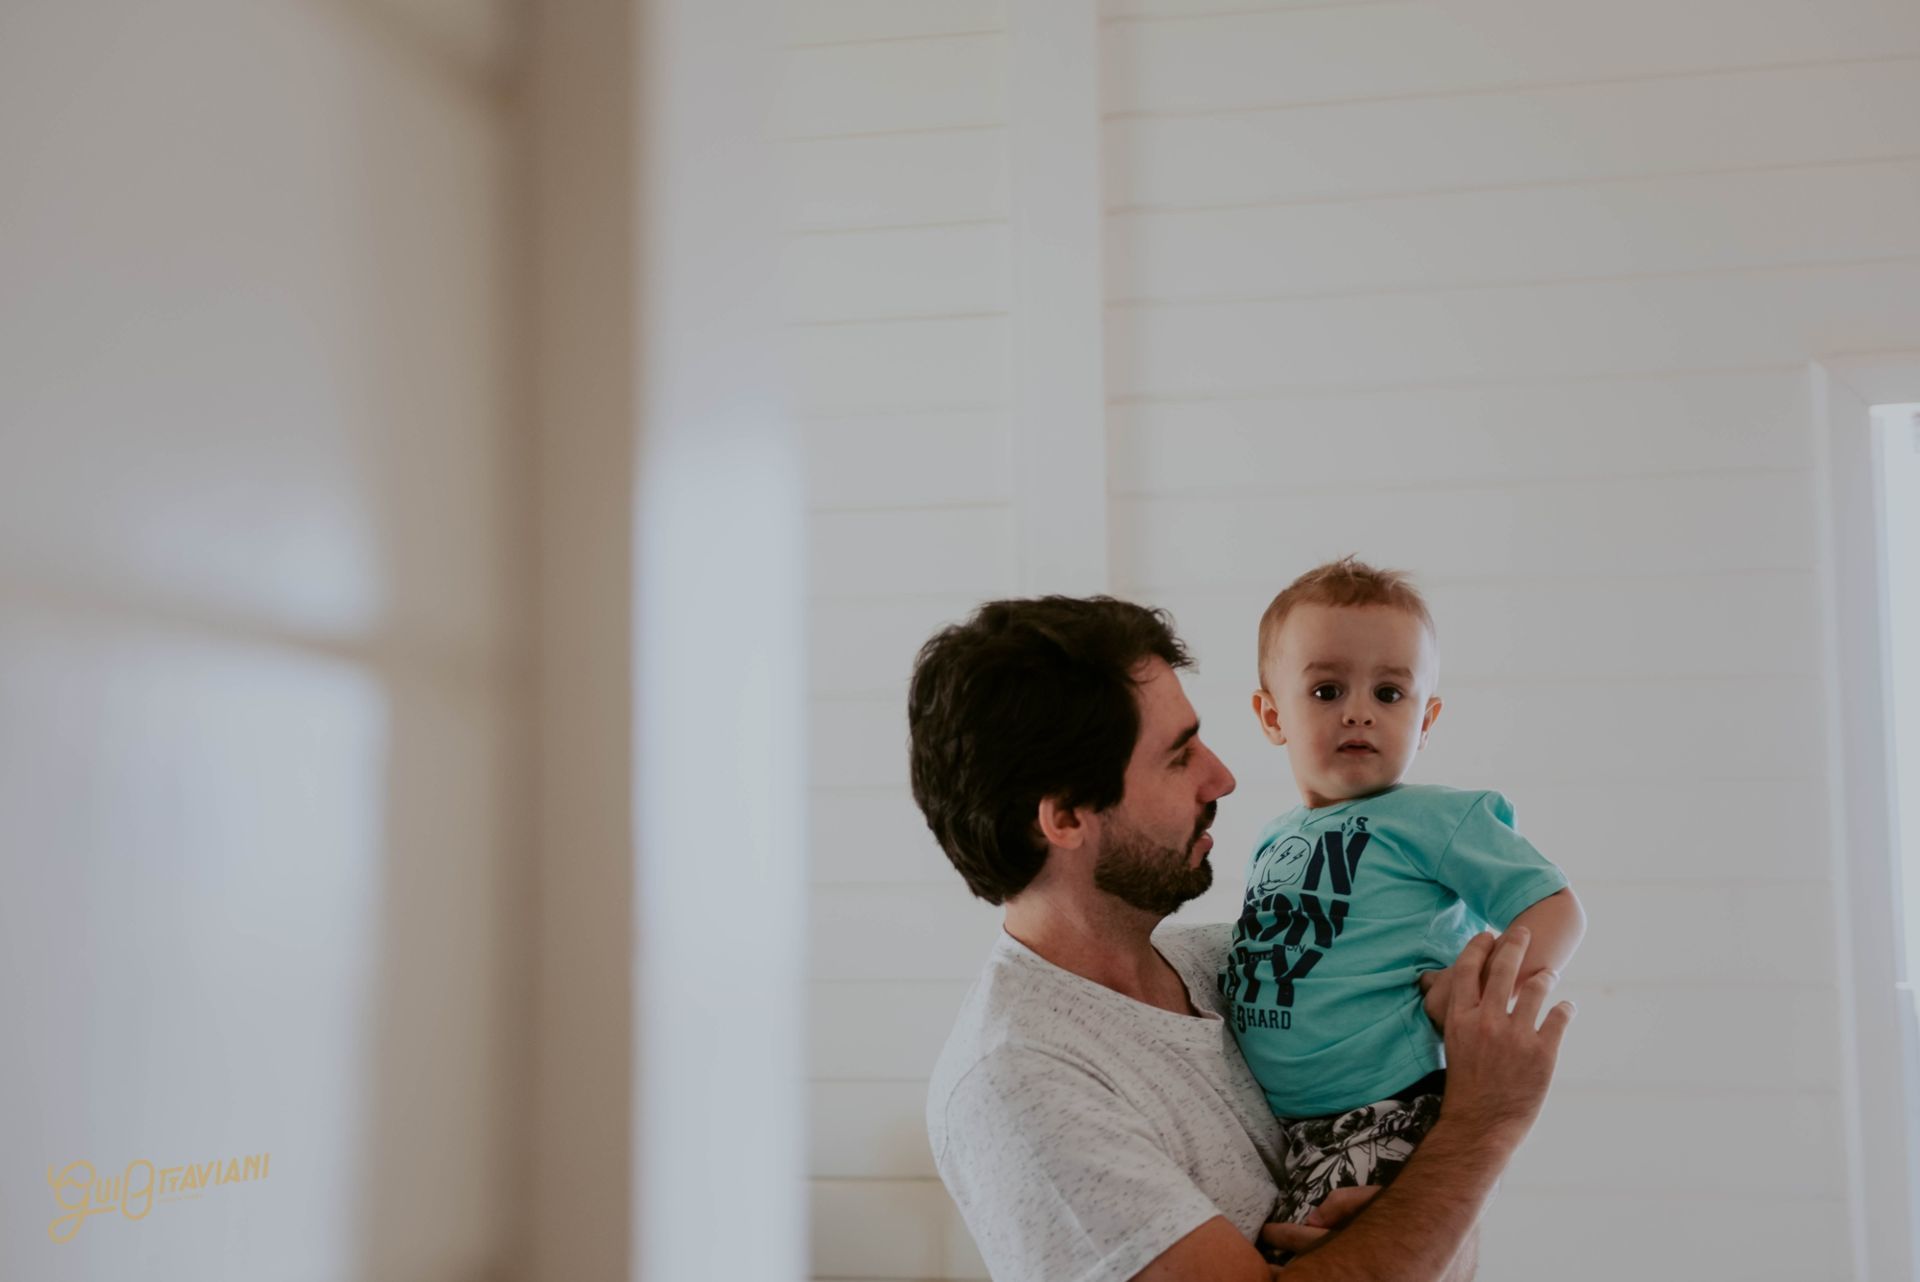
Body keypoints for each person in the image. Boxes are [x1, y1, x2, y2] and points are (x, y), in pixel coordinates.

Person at [909, 595, 1575, 1282]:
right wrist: (1481, 1128)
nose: (1222, 776)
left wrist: (1406, 1216)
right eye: (1178, 757)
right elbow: (1440, 1202)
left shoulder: (1239, 962)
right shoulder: (1020, 1086)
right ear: (1068, 818)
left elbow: (1433, 1237)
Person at [1228, 557, 1586, 1228]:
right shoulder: (1273, 836)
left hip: (1387, 1106)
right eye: (1328, 690)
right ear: (1272, 714)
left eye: (1390, 694)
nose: (1359, 712)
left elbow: (1556, 906)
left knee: (1325, 1263)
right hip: (1286, 1124)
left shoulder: (1437, 820)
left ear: (1427, 720)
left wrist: (1479, 989)